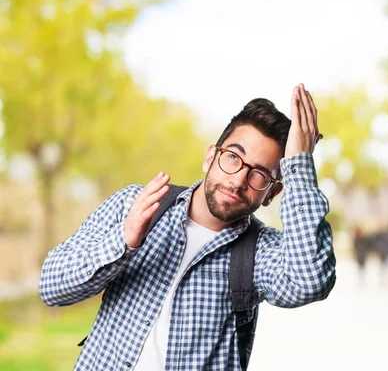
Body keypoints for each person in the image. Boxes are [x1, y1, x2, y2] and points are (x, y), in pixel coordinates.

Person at [38, 84, 337, 370]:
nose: (237, 180)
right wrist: (124, 242)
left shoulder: (259, 252)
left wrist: (299, 164)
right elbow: (51, 287)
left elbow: (309, 282)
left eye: (259, 174)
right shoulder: (136, 204)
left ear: (271, 194)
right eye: (233, 157)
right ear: (210, 157)